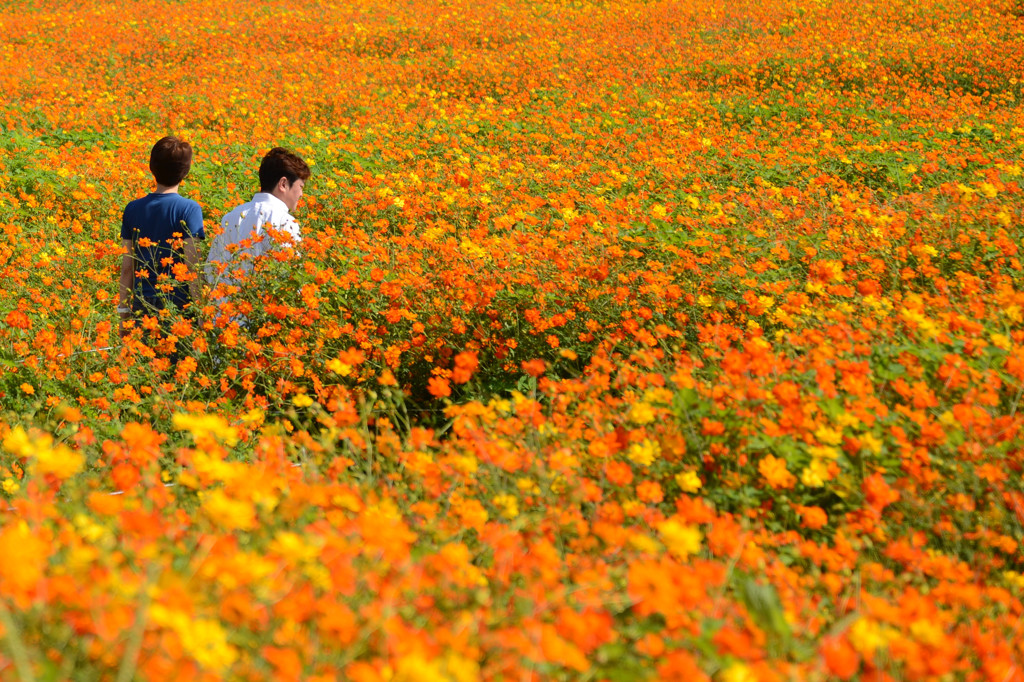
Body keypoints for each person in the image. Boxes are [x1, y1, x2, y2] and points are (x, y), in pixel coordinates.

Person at [118, 136, 204, 339]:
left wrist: (124, 315)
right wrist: (201, 315)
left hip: (142, 306)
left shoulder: (132, 208)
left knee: (143, 366)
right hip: (178, 309)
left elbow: (128, 267)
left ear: (151, 167)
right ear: (186, 171)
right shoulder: (190, 209)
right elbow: (192, 267)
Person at [205, 147, 310, 289]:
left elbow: (210, 273)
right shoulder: (285, 223)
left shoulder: (231, 217)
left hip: (224, 309)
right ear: (283, 184)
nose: (301, 194)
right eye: (301, 186)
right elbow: (291, 280)